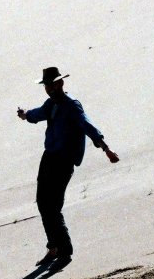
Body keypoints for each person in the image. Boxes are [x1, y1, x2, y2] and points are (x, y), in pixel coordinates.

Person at [17, 67, 119, 266]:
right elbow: (37, 114)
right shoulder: (51, 104)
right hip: (49, 157)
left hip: (64, 161)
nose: (48, 88)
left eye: (51, 84)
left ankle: (64, 251)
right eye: (46, 85)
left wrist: (106, 149)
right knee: (42, 202)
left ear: (60, 83)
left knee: (52, 206)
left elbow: (87, 126)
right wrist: (25, 114)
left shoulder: (72, 105)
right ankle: (53, 248)